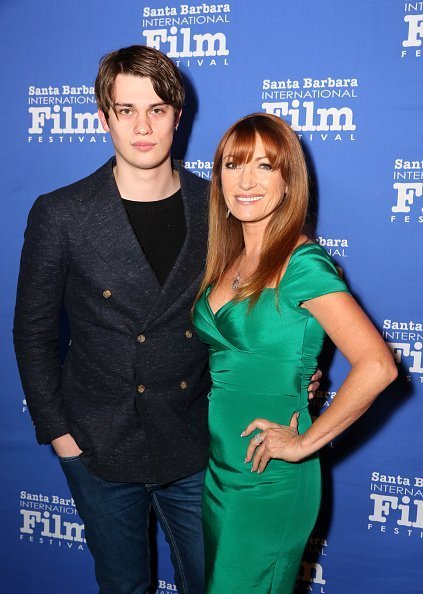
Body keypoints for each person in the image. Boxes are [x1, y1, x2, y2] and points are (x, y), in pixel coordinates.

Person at [13, 45, 322, 594]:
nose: (142, 126)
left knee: (211, 583)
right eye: (126, 110)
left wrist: (290, 375)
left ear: (178, 118)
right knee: (123, 586)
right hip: (98, 444)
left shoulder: (221, 206)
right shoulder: (60, 213)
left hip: (197, 442)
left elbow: (253, 308)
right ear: (102, 117)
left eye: (157, 109)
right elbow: (33, 333)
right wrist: (61, 436)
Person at [192, 113, 398, 594]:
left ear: (288, 182)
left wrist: (304, 443)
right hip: (222, 469)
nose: (245, 180)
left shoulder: (302, 262)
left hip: (271, 475)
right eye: (232, 164)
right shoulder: (228, 260)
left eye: (264, 166)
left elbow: (377, 365)